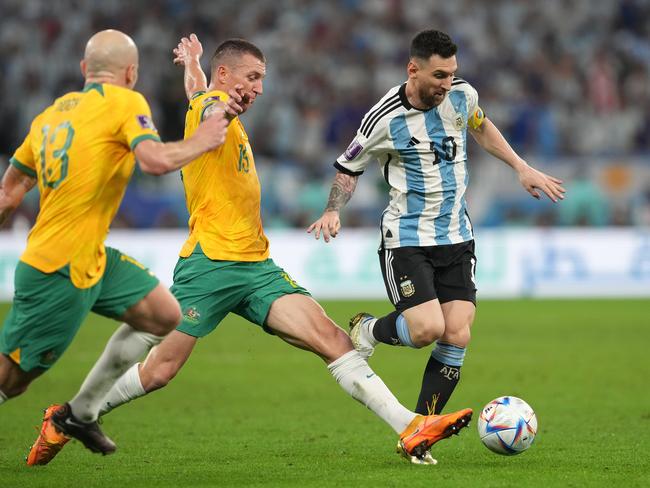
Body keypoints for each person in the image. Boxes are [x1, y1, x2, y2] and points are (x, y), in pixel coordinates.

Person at [30, 33, 472, 467]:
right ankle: (67, 417)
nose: (259, 88)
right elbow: (209, 104)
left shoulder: (209, 100)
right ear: (225, 75)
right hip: (209, 266)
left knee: (334, 340)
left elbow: (200, 93)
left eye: (262, 80)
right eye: (253, 77)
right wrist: (219, 97)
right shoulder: (213, 109)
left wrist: (192, 67)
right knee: (160, 371)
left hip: (256, 267)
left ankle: (410, 426)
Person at [308, 30, 565, 417]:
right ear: (413, 70)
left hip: (456, 234)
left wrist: (520, 166)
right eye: (440, 75)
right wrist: (333, 209)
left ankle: (423, 428)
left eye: (452, 73)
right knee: (427, 329)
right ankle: (369, 329)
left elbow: (479, 126)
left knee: (458, 331)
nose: (448, 83)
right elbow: (348, 168)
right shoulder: (383, 119)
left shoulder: (462, 95)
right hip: (407, 238)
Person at [0, 29, 228, 465]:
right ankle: (76, 411)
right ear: (131, 73)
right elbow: (154, 161)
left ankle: (81, 413)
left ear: (85, 70)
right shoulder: (126, 101)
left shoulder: (48, 117)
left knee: (164, 314)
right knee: (12, 379)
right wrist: (203, 139)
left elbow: (9, 194)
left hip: (90, 257)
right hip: (59, 268)